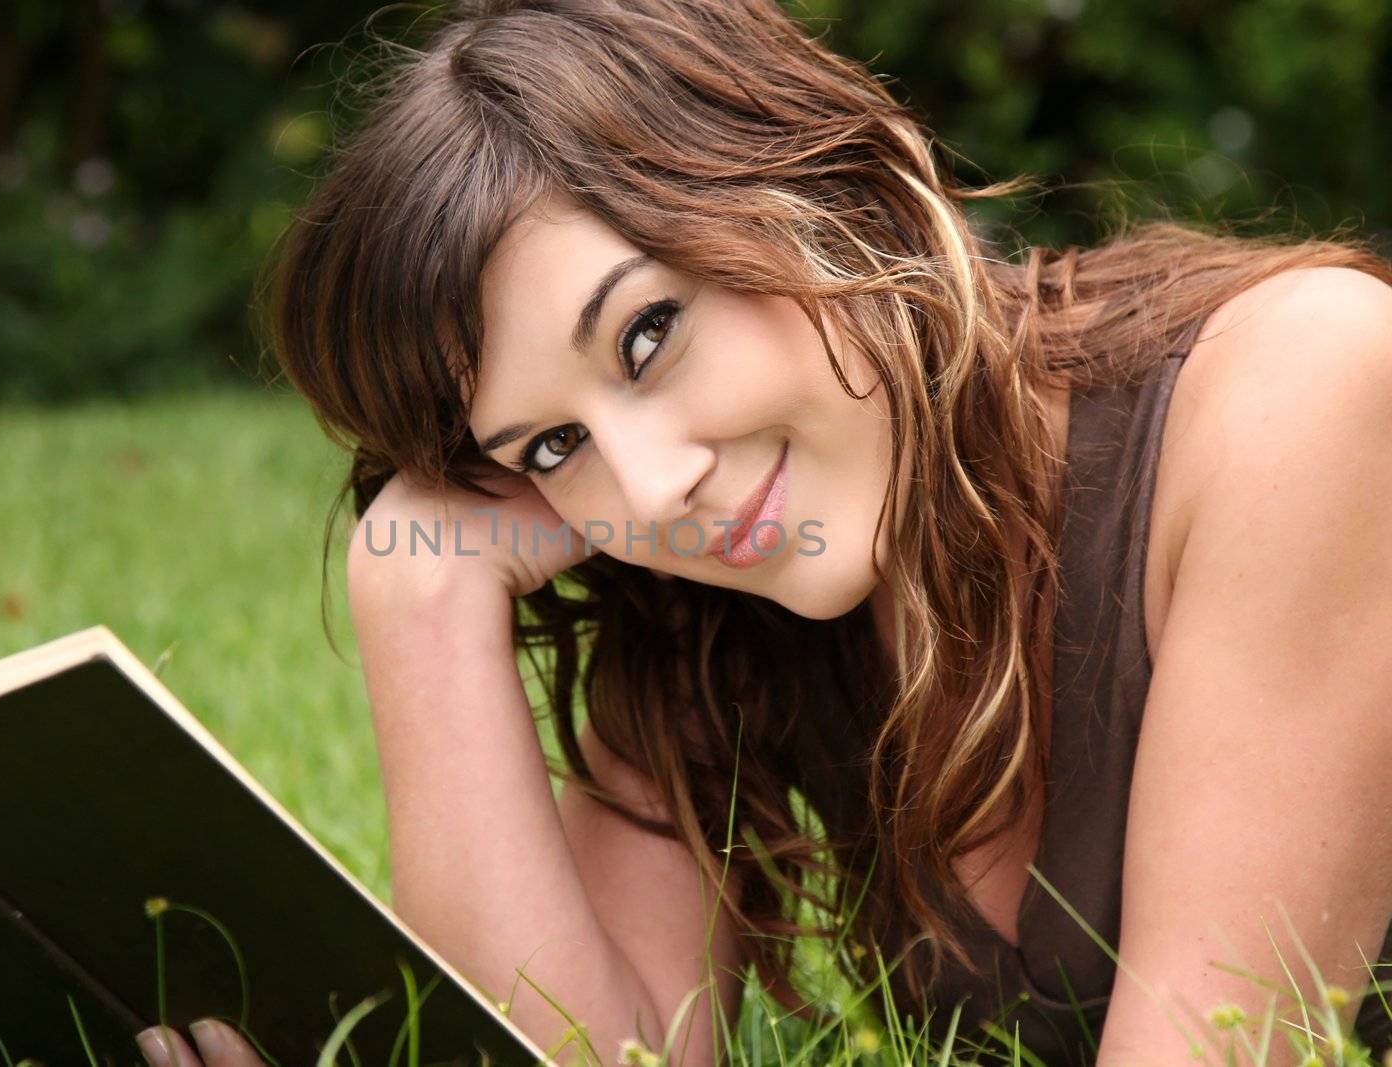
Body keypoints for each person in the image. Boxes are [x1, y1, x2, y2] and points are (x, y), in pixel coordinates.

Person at [134, 0, 1392, 1064]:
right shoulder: (725, 602)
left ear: (819, 177)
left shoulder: (1298, 391)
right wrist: (416, 604)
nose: (653, 485)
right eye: (550, 448)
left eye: (645, 336)